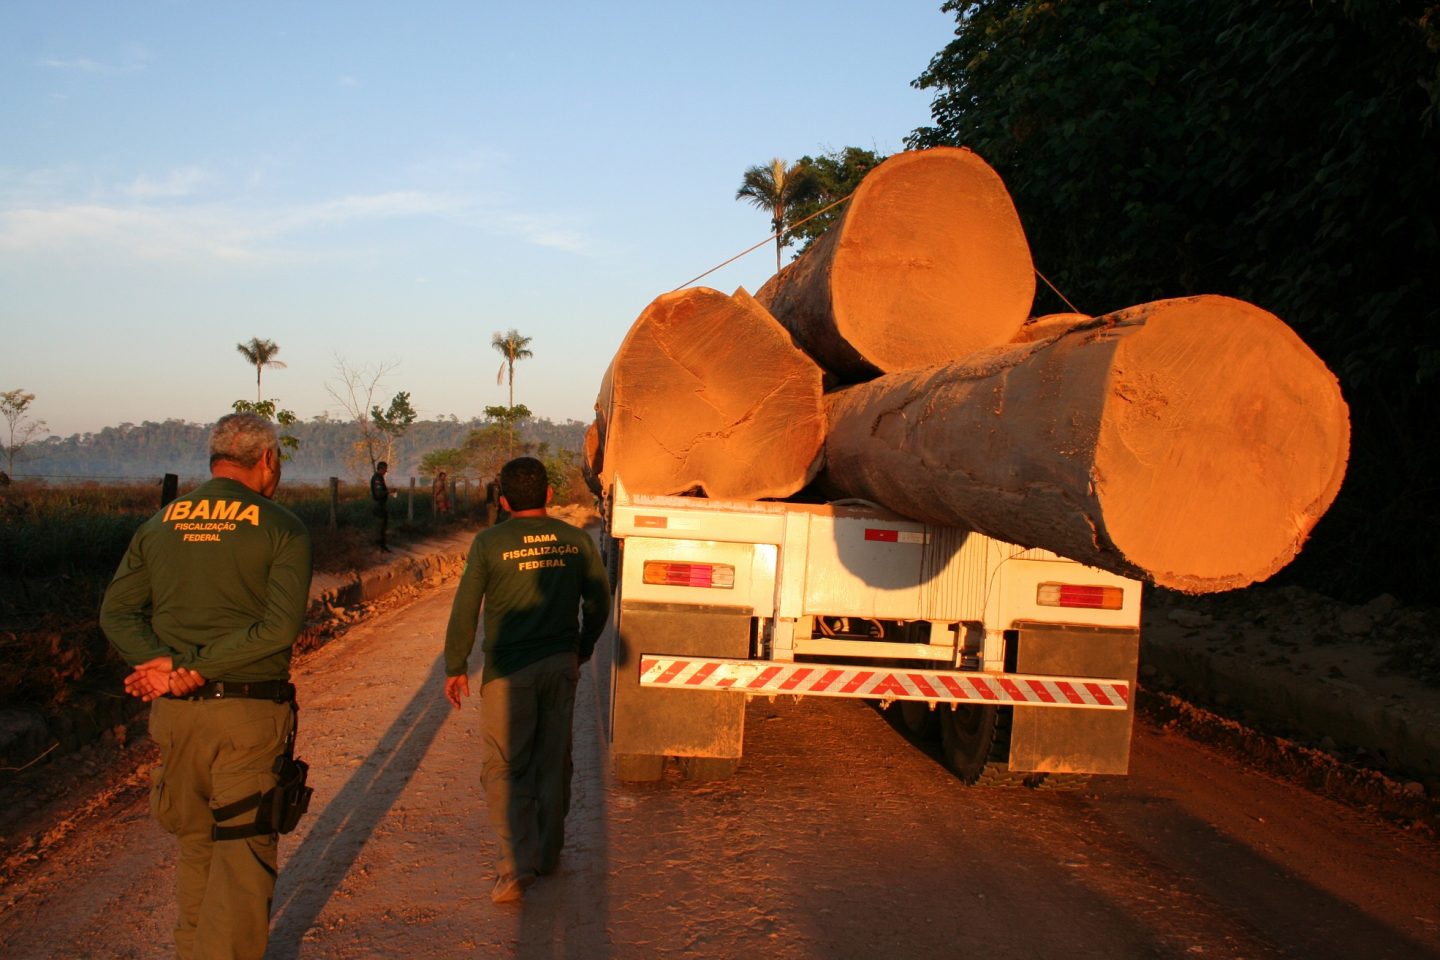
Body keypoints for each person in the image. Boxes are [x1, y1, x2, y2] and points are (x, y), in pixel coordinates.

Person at [100, 412, 313, 960]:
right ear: (267, 460)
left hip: (175, 715)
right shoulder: (281, 526)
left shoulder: (160, 523)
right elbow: (278, 629)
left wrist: (163, 667)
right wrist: (202, 665)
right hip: (246, 712)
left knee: (196, 846)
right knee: (242, 859)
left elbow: (117, 613)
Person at [442, 456, 611, 904]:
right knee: (553, 759)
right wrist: (583, 647)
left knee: (503, 765)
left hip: (506, 673)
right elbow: (599, 601)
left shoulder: (488, 543)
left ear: (502, 499)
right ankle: (548, 853)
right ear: (550, 495)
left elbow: (466, 608)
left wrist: (455, 666)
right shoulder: (575, 541)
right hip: (560, 664)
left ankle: (515, 865)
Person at [371, 460, 390, 551]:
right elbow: (378, 494)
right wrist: (388, 492)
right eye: (385, 470)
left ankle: (382, 545)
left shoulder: (380, 478)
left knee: (383, 526)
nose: (385, 472)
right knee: (380, 527)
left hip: (382, 505)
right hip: (378, 505)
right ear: (381, 469)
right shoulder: (377, 478)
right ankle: (379, 547)